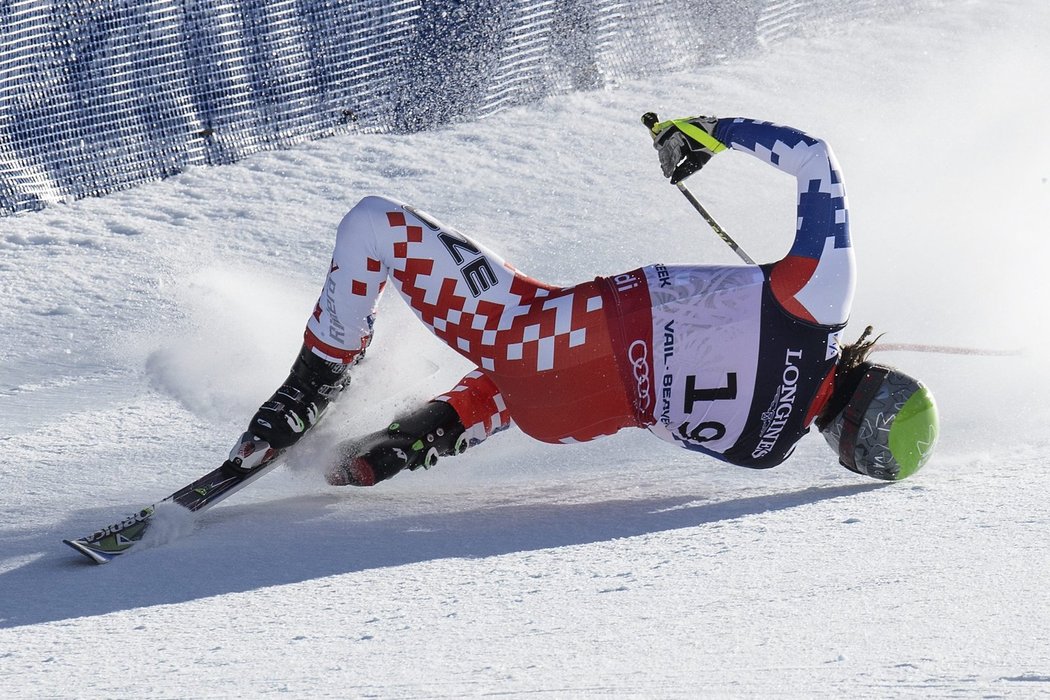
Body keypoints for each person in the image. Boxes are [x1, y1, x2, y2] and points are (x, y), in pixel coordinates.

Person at [231, 115, 939, 486]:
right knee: (565, 364)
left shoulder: (820, 304)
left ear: (879, 379)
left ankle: (311, 385)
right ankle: (434, 429)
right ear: (848, 452)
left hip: (546, 336)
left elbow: (816, 158)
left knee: (372, 227)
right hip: (559, 413)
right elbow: (643, 389)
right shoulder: (764, 453)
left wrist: (703, 134)